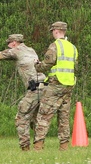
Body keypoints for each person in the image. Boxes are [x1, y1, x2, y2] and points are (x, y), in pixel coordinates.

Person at [0, 34, 43, 151]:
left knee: (21, 117)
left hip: (34, 88)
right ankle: (39, 146)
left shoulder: (16, 51)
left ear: (14, 43)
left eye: (9, 43)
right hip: (44, 86)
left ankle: (25, 148)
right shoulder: (31, 50)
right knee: (35, 119)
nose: (8, 45)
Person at [33, 21, 78, 151]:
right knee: (64, 117)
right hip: (68, 85)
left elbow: (47, 64)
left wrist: (37, 65)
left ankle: (38, 145)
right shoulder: (73, 47)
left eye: (52, 31)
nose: (52, 33)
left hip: (56, 84)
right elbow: (74, 66)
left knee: (44, 115)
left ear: (57, 31)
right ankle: (64, 146)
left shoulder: (55, 46)